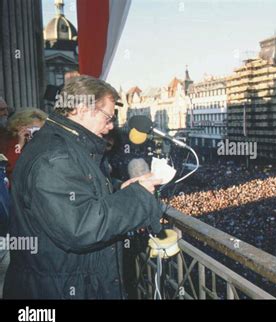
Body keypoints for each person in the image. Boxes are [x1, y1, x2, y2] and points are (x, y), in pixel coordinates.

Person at [4, 75, 164, 299]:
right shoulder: (54, 157)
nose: (110, 127)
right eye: (107, 117)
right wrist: (137, 197)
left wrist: (121, 190)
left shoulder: (65, 145)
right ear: (81, 108)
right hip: (57, 290)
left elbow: (82, 193)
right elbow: (82, 227)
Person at [4, 108, 48, 180]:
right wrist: (20, 145)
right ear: (19, 127)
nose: (36, 133)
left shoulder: (45, 143)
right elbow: (9, 168)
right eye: (33, 129)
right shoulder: (11, 143)